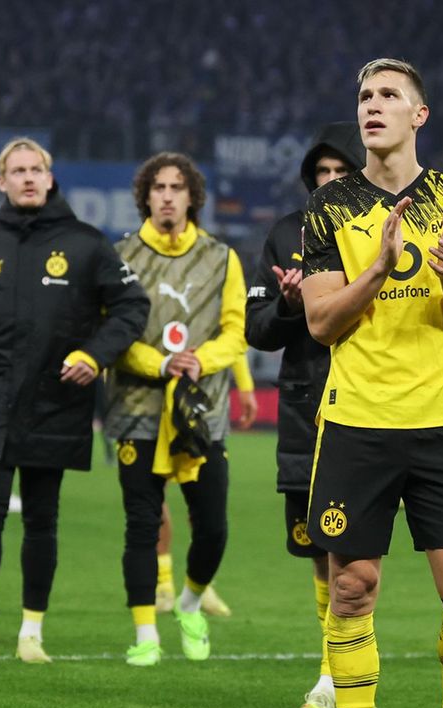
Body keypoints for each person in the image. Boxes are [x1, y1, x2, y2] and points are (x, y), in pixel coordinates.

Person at [300, 59, 443, 708]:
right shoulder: (330, 210)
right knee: (352, 586)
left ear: (420, 115)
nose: (372, 106)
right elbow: (321, 322)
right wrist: (377, 269)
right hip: (357, 422)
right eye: (363, 96)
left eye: (388, 96)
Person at [0, 137, 148, 664]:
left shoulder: (87, 243)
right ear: (1, 182)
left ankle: (31, 634)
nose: (26, 178)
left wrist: (95, 354)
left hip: (56, 400)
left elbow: (133, 306)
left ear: (50, 176)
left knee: (43, 518)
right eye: (16, 171)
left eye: (35, 169)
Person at [245, 120, 364, 708]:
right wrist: (290, 306)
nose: (330, 182)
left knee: (351, 552)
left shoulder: (387, 230)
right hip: (304, 409)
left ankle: (329, 681)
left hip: (368, 404)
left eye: (341, 172)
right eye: (321, 173)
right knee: (319, 551)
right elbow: (258, 331)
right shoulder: (285, 235)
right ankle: (334, 670)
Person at [107, 152, 247, 667]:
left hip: (201, 411)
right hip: (136, 408)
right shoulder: (120, 257)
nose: (167, 195)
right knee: (141, 524)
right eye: (158, 187)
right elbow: (114, 336)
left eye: (177, 187)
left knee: (213, 527)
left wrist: (198, 360)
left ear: (192, 197)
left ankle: (189, 602)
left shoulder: (221, 258)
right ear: (145, 195)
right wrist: (160, 364)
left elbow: (236, 331)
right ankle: (145, 633)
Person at [152, 354, 255, 616]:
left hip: (199, 399)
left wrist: (245, 385)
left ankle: (200, 580)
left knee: (202, 497)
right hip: (154, 392)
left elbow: (234, 332)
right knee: (153, 494)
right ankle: (163, 582)